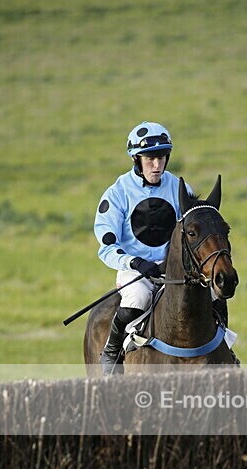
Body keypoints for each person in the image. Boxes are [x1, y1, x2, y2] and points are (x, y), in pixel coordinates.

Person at [94, 121, 194, 374]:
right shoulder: (117, 193)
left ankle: (224, 348)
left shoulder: (179, 188)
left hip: (174, 271)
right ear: (136, 159)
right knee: (139, 297)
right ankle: (112, 351)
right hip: (135, 272)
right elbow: (107, 246)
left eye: (162, 158)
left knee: (213, 293)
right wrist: (136, 263)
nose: (157, 166)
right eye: (150, 159)